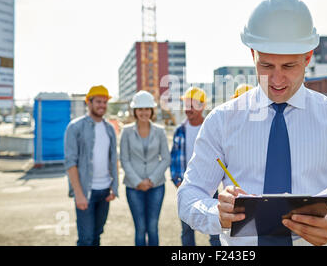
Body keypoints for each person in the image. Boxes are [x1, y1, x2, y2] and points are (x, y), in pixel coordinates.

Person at [177, 0, 327, 246]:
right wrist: (215, 213)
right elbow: (189, 195)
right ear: (252, 55)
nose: (277, 80)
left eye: (289, 66)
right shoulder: (221, 120)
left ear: (308, 57)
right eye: (267, 66)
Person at [64, 85, 118, 246]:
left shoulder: (110, 129)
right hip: (85, 192)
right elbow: (70, 163)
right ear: (89, 102)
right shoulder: (75, 127)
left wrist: (114, 187)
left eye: (104, 102)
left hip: (104, 191)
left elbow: (113, 159)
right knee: (86, 238)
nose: (102, 105)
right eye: (98, 101)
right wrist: (79, 194)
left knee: (96, 235)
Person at [170, 87, 221, 246]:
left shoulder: (212, 128)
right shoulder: (180, 130)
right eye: (186, 105)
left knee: (215, 231)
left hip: (211, 187)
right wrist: (178, 181)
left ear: (202, 106)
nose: (188, 109)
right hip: (187, 186)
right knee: (186, 230)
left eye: (191, 105)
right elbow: (174, 158)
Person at [120, 90, 171, 246]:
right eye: (140, 109)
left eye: (147, 109)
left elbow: (166, 158)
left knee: (153, 227)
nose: (144, 112)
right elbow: (124, 159)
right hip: (133, 187)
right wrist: (138, 182)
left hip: (156, 186)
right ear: (135, 111)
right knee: (140, 228)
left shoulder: (160, 131)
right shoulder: (126, 131)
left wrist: (151, 180)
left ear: (152, 110)